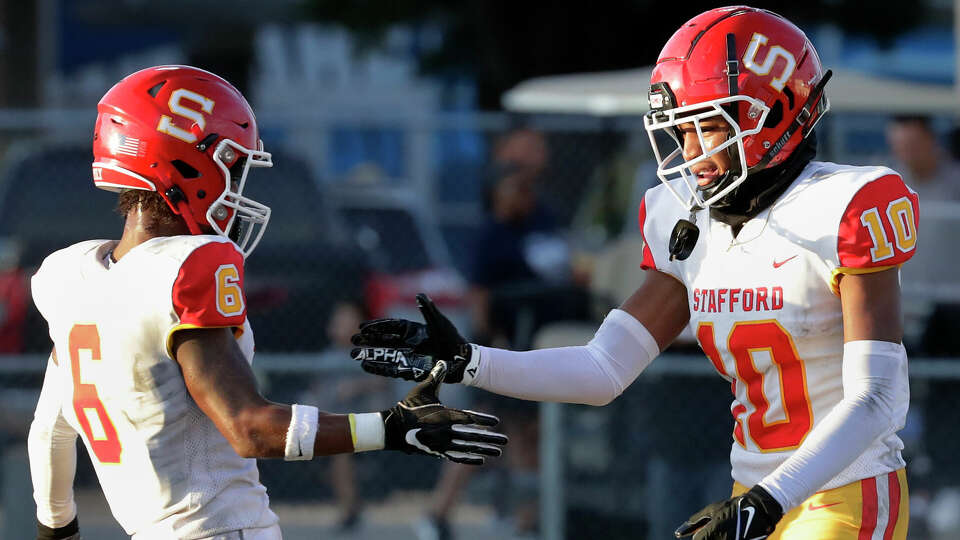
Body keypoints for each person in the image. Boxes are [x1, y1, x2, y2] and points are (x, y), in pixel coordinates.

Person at [352, 6, 915, 540]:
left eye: (709, 128)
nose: (690, 153)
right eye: (682, 132)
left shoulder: (845, 206)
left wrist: (768, 500)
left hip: (845, 491)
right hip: (751, 493)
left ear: (771, 113)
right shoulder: (686, 219)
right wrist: (468, 361)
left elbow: (878, 397)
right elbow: (602, 370)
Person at [26, 65, 507, 540]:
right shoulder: (184, 267)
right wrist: (394, 428)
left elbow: (50, 431)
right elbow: (249, 427)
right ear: (181, 161)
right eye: (231, 167)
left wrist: (57, 530)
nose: (237, 188)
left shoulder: (69, 275)